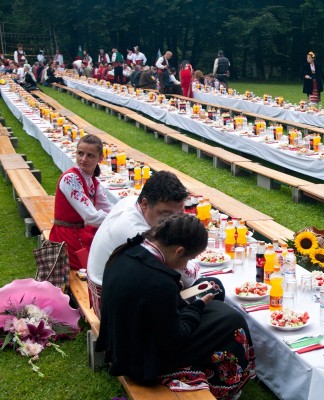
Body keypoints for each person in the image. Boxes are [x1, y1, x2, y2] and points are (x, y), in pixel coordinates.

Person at [96, 213, 256, 397]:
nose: (184, 265)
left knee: (218, 305)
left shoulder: (126, 251)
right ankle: (226, 386)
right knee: (231, 322)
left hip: (124, 340)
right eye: (187, 260)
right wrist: (197, 306)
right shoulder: (159, 282)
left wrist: (189, 303)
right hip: (141, 361)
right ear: (179, 251)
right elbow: (174, 339)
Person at [88, 170, 189, 315]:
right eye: (165, 214)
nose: (173, 222)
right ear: (145, 204)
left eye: (179, 214)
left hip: (109, 286)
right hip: (107, 301)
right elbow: (186, 276)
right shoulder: (135, 231)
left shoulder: (132, 202)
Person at [49, 134, 112, 270]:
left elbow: (107, 208)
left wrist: (125, 213)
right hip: (66, 238)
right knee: (98, 266)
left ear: (100, 158)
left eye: (90, 155)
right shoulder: (70, 179)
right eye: (80, 153)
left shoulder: (93, 181)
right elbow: (91, 217)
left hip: (81, 233)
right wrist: (122, 218)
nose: (84, 159)